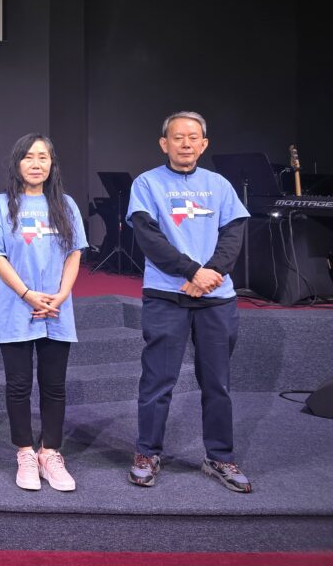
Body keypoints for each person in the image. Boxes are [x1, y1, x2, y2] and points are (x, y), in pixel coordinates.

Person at [125, 111, 251, 493]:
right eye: (177, 137)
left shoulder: (219, 185)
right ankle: (147, 453)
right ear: (164, 143)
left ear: (204, 144)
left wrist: (210, 273)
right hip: (166, 296)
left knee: (217, 384)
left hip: (216, 299)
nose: (185, 143)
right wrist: (193, 271)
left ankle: (219, 457)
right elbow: (148, 237)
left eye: (193, 137)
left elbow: (233, 233)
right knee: (157, 381)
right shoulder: (147, 183)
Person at [0, 134, 87, 492]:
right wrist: (27, 294)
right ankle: (25, 452)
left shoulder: (66, 205)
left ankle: (50, 452)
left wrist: (61, 296)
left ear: (52, 164)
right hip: (16, 306)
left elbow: (74, 254)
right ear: (17, 163)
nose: (36, 164)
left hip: (56, 308)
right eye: (28, 157)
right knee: (19, 384)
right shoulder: (0, 205)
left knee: (54, 385)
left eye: (43, 157)